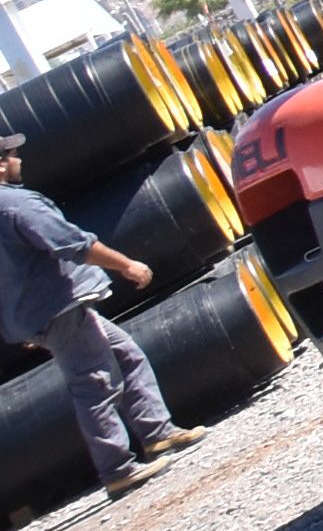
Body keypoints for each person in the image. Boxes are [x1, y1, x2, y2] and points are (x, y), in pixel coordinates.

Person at [0, 131, 205, 500]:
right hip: (61, 308)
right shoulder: (17, 205)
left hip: (44, 313)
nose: (19, 160)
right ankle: (118, 469)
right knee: (94, 383)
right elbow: (73, 244)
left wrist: (22, 321)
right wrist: (126, 265)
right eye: (12, 155)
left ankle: (158, 433)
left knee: (127, 356)